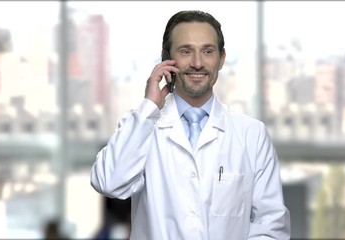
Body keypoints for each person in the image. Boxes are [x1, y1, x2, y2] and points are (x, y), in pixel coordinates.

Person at [90, 10, 291, 239]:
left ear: (221, 59)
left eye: (207, 51)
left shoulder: (251, 135)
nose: (197, 63)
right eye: (186, 51)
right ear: (167, 58)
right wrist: (149, 106)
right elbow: (108, 182)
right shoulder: (141, 125)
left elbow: (271, 224)